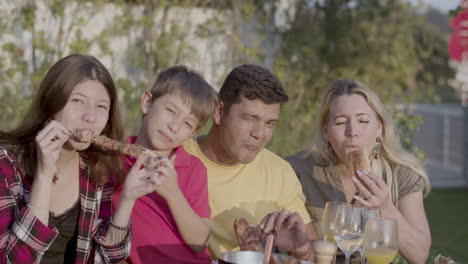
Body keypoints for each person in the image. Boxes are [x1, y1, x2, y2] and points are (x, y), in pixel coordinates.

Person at [0, 54, 162, 264]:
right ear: (52, 103)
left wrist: (127, 201)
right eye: (78, 101)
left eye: (102, 106)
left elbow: (107, 258)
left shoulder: (96, 169)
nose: (90, 117)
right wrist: (44, 176)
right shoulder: (7, 162)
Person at [261, 79, 431, 264]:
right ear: (326, 131)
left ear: (379, 129)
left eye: (363, 120)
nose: (352, 131)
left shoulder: (401, 174)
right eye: (341, 122)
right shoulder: (298, 170)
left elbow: (419, 255)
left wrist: (386, 208)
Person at [183, 64, 320, 259]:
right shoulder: (177, 157)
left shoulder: (279, 172)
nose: (260, 134)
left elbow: (315, 254)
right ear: (219, 111)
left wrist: (301, 250)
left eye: (270, 123)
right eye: (249, 118)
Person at [111, 65, 218, 264]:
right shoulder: (113, 162)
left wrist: (172, 193)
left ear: (192, 133)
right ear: (147, 103)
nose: (174, 126)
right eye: (170, 110)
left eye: (187, 124)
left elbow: (200, 242)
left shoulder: (193, 168)